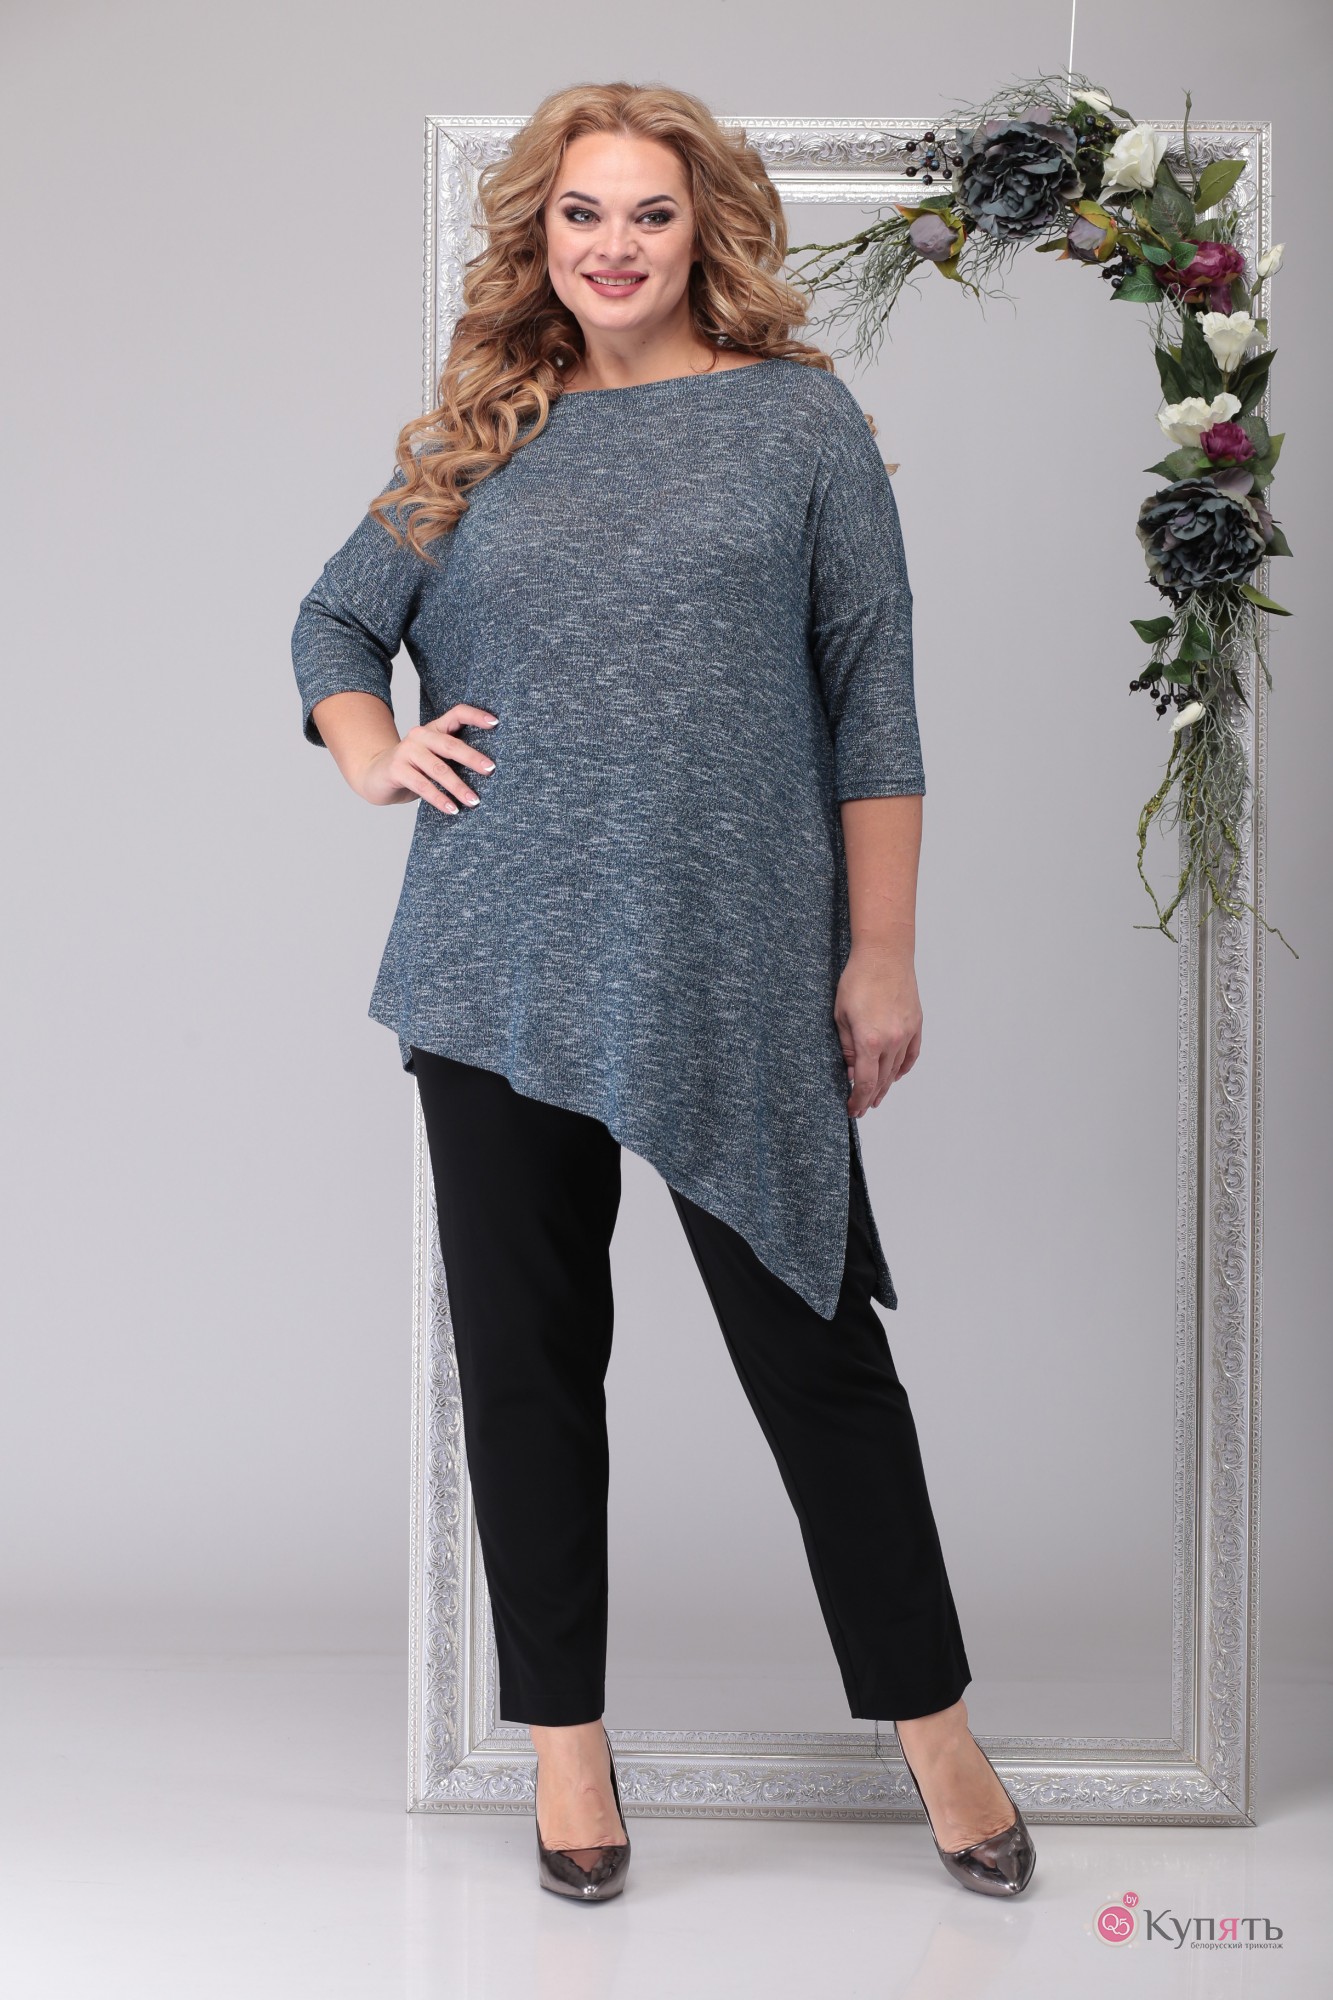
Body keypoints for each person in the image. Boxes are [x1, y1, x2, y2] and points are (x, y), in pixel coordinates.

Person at [290, 80, 1035, 1902]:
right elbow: (332, 624)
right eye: (579, 214)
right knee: (530, 1370)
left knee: (819, 1354)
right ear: (536, 236)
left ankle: (935, 1726)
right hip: (499, 965)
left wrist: (879, 950)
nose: (611, 246)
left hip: (736, 964)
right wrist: (373, 751)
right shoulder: (482, 432)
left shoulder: (797, 423)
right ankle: (567, 1746)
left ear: (705, 230)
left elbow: (872, 703)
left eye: (646, 213)